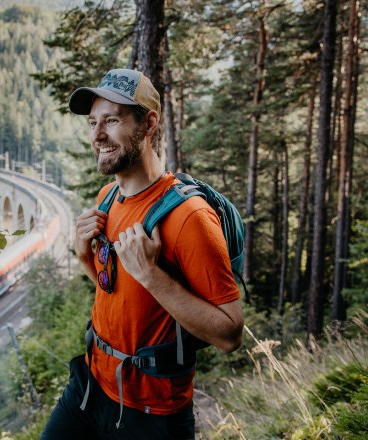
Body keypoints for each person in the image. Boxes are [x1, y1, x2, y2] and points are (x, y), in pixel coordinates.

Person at [40, 69, 244, 439]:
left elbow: (230, 334)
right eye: (93, 122)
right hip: (90, 386)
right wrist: (85, 255)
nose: (97, 135)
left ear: (148, 123)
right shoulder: (109, 198)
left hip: (150, 413)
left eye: (112, 120)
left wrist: (152, 275)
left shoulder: (190, 217)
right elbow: (117, 291)